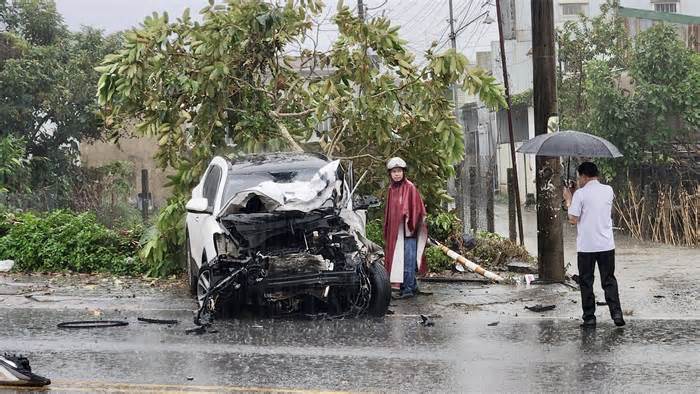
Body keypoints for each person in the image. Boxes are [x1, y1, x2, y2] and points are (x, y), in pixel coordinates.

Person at [563, 162, 625, 328]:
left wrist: (569, 199)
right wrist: (577, 193)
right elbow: (594, 206)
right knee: (609, 280)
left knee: (586, 282)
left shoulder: (580, 195)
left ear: (583, 176)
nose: (578, 180)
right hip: (606, 245)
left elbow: (573, 219)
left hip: (587, 247)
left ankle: (589, 318)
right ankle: (617, 313)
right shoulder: (608, 190)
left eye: (579, 177)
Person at [382, 157, 428, 299]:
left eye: (399, 171)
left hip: (409, 231)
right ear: (390, 173)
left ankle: (408, 288)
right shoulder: (391, 189)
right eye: (394, 171)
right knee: (398, 259)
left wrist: (410, 222)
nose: (397, 174)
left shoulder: (410, 187)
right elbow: (390, 213)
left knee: (408, 259)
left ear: (403, 172)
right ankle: (409, 286)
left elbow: (417, 209)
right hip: (396, 233)